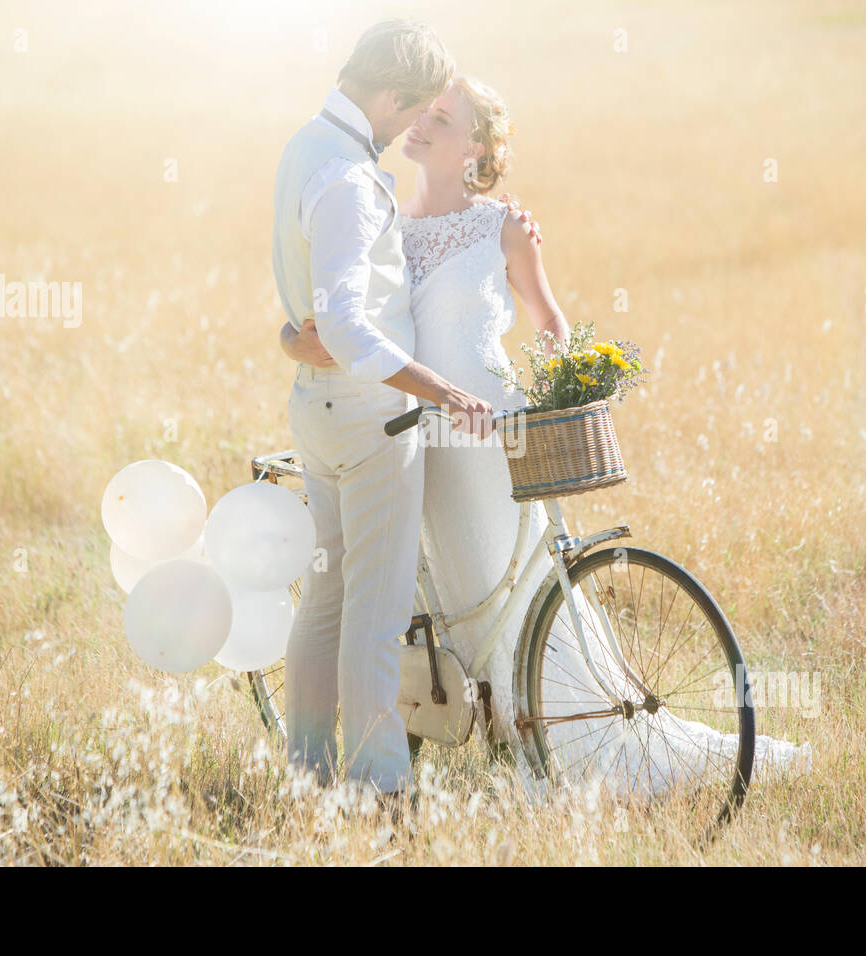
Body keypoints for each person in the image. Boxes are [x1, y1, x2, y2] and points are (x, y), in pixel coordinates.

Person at [281, 73, 812, 805]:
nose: (423, 122)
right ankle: (497, 725)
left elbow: (550, 324)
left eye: (442, 116)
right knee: (460, 595)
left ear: (474, 146)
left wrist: (574, 386)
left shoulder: (502, 226)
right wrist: (295, 342)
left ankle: (565, 734)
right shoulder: (387, 227)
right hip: (429, 435)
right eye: (423, 110)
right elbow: (352, 317)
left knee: (521, 581)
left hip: (497, 429)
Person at [270, 20, 495, 815]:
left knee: (327, 602)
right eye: (412, 113)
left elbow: (310, 312)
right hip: (374, 426)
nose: (410, 130)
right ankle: (384, 792)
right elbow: (345, 326)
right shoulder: (348, 181)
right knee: (375, 617)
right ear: (392, 96)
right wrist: (443, 392)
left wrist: (296, 337)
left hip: (321, 415)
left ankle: (305, 771)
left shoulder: (304, 144)